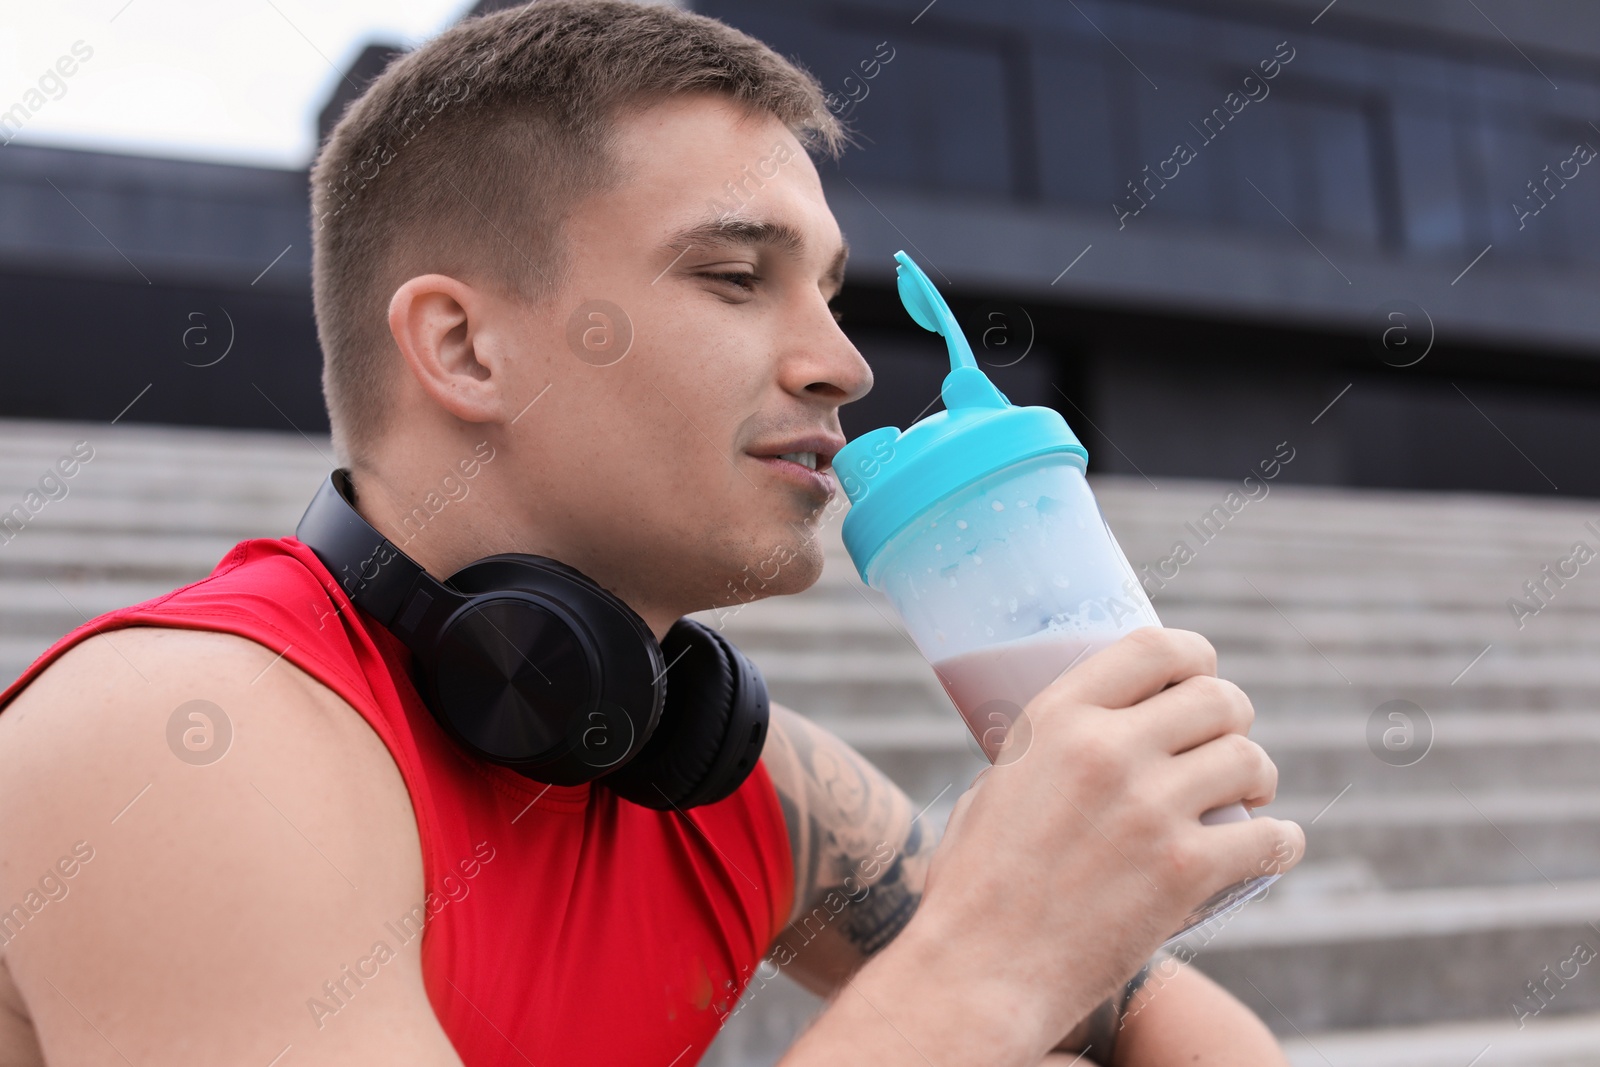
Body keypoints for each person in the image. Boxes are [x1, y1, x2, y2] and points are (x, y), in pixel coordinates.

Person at [0, 3, 1304, 1064]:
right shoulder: (179, 739)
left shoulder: (747, 781)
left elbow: (1183, 1036)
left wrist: (1049, 943)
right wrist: (991, 959)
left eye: (831, 293)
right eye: (736, 278)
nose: (843, 364)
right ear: (463, 345)